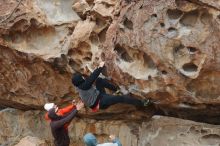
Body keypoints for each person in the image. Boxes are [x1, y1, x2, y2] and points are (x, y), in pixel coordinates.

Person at [72, 61, 152, 112]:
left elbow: (89, 79)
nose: (83, 77)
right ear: (80, 81)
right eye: (81, 78)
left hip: (99, 95)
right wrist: (100, 67)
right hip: (100, 103)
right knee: (121, 98)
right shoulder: (83, 86)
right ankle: (142, 103)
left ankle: (116, 90)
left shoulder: (80, 86)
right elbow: (92, 78)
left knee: (99, 80)